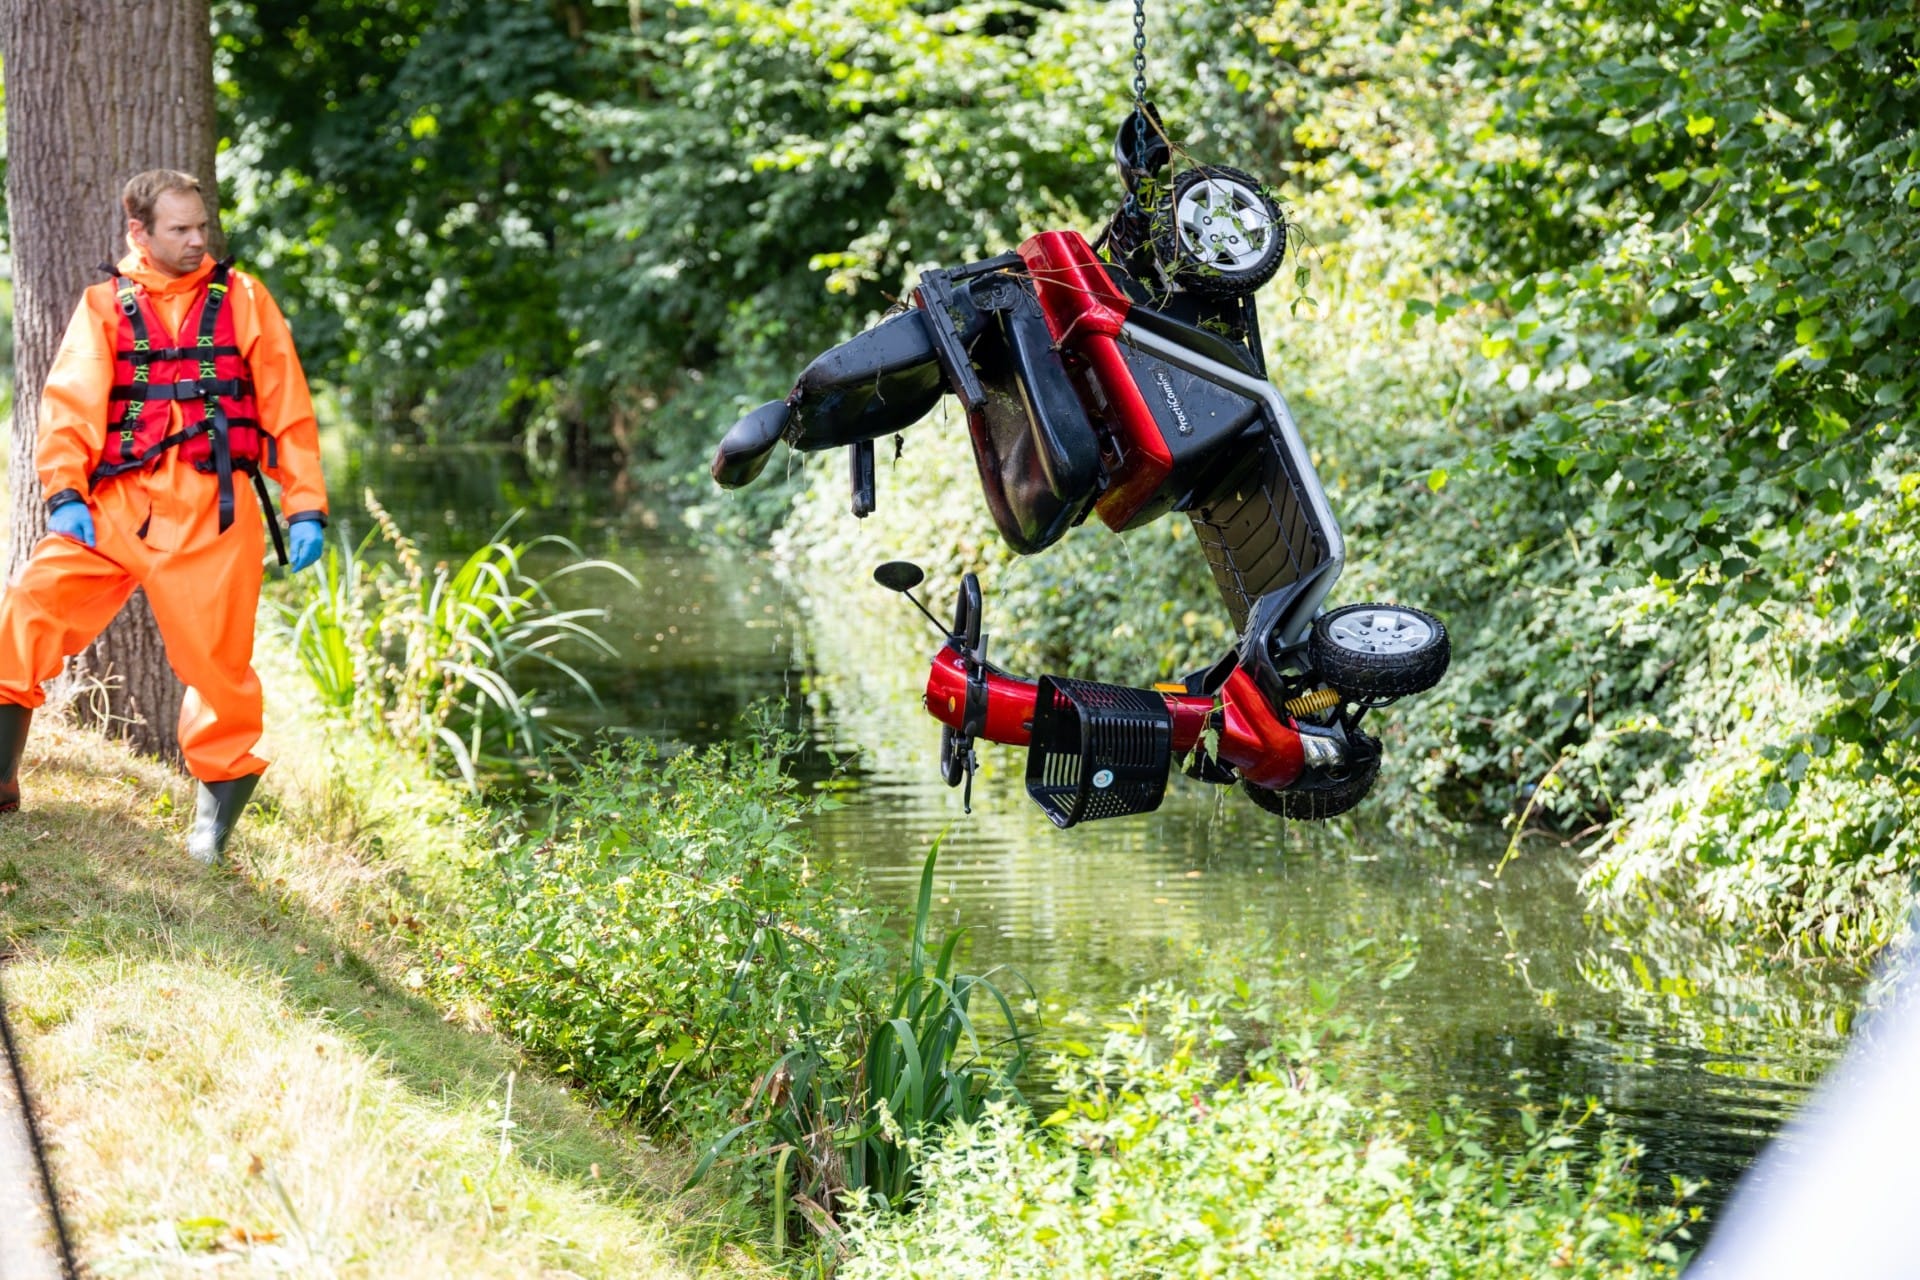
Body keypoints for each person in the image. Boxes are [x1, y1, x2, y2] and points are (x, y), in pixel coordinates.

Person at [0, 169, 328, 864]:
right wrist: (65, 496)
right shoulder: (104, 306)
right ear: (138, 233)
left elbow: (287, 408)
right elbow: (69, 408)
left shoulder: (243, 299)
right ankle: (1, 778)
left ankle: (211, 831)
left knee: (218, 671)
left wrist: (305, 508)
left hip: (214, 514)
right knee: (27, 610)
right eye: (179, 229)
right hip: (116, 510)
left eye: (201, 227)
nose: (195, 240)